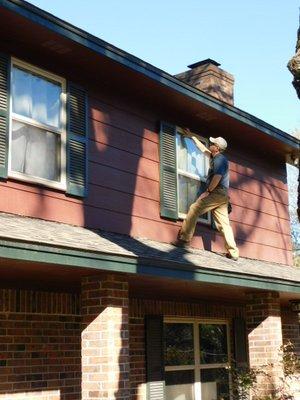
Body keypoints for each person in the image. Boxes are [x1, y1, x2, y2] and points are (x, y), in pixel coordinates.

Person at [173, 128, 239, 261]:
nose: (211, 144)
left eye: (213, 144)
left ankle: (184, 240)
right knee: (224, 224)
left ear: (217, 148)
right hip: (222, 196)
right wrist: (192, 136)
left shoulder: (220, 160)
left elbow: (217, 177)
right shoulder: (216, 157)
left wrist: (207, 192)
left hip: (216, 192)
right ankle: (233, 252)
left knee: (194, 209)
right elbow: (203, 149)